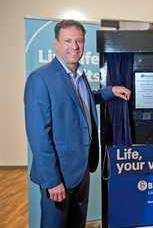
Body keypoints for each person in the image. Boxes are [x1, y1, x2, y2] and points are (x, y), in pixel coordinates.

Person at [24, 19, 131, 228]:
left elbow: (81, 102)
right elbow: (38, 135)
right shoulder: (40, 79)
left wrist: (110, 92)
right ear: (56, 43)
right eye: (68, 41)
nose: (74, 47)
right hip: (58, 175)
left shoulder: (79, 76)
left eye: (79, 41)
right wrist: (52, 180)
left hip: (82, 170)